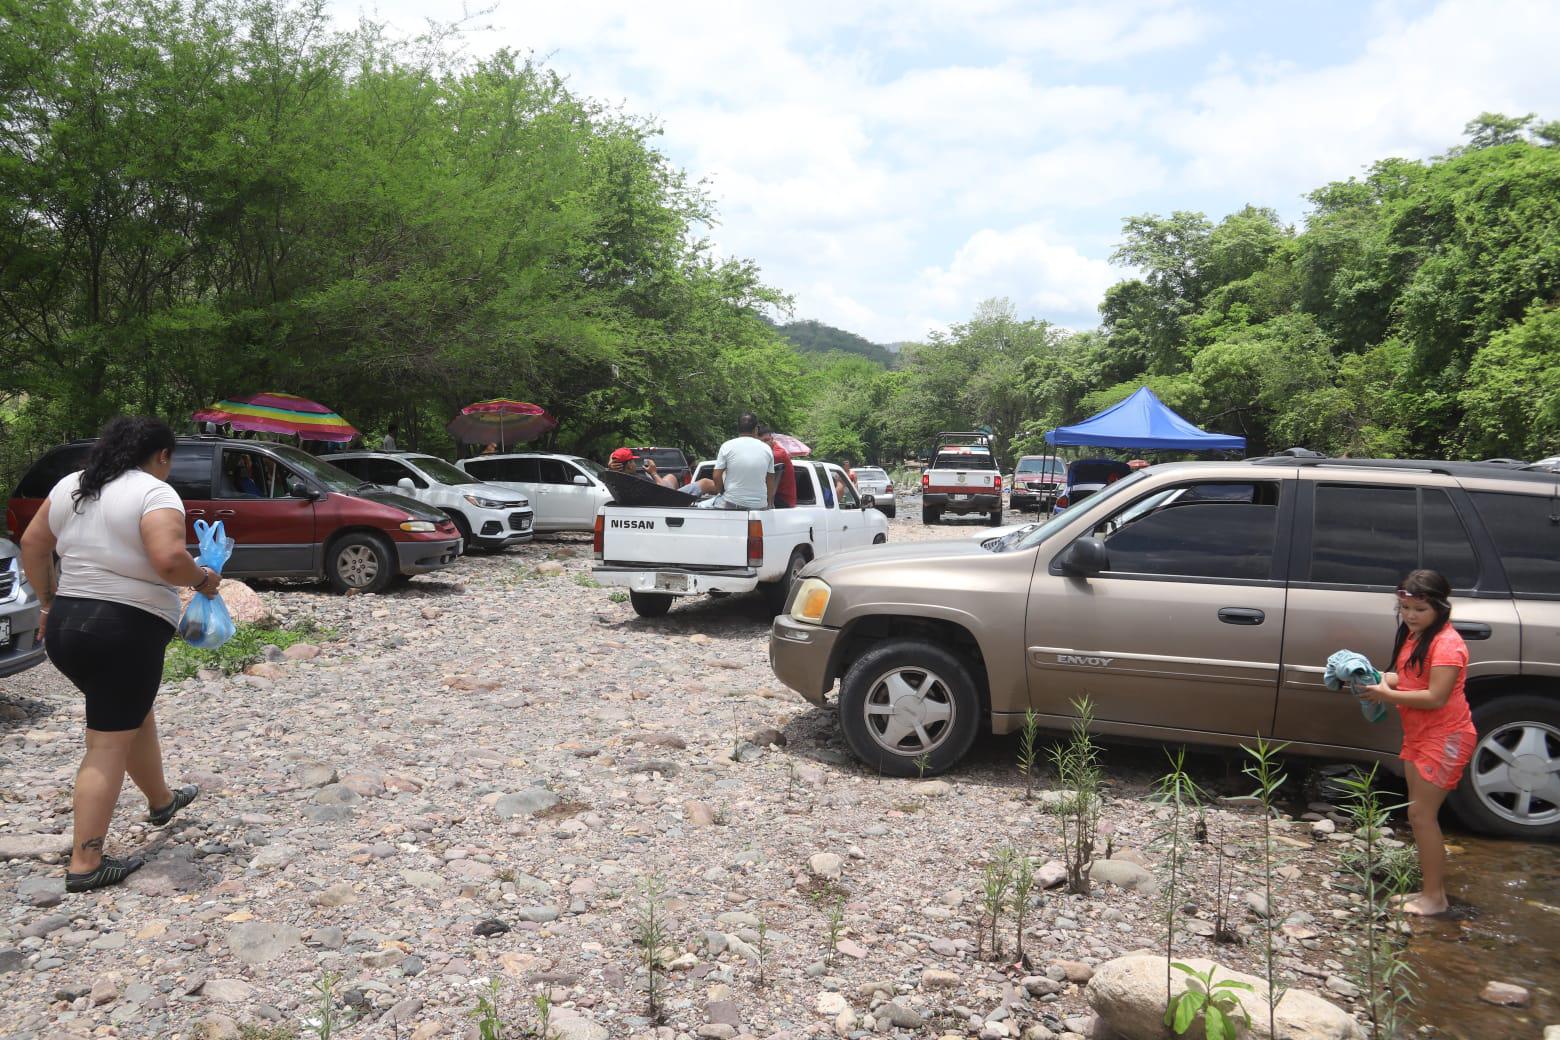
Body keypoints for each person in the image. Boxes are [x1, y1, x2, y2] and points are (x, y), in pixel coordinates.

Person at [18, 418, 218, 893]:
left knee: (128, 711)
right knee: (106, 741)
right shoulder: (154, 493)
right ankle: (86, 861)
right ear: (162, 455)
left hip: (68, 623)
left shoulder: (73, 485)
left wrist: (46, 601)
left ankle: (161, 800)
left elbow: (32, 543)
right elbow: (169, 559)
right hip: (123, 628)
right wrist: (204, 579)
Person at [1360, 569, 1476, 916]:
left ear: (1440, 608)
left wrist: (1386, 695)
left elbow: (1437, 696)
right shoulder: (1416, 637)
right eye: (1405, 608)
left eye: (1419, 609)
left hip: (1447, 736)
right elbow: (1408, 678)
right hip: (1420, 734)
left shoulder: (1447, 645)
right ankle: (1429, 891)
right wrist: (1374, 677)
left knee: (1421, 814)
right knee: (1419, 813)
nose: (1410, 616)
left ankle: (1435, 898)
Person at [705, 413, 776, 510]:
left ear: (738, 428)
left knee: (702, 505)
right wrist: (770, 504)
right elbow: (770, 480)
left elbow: (716, 476)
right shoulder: (767, 449)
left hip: (731, 503)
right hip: (759, 505)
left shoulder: (727, 446)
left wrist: (720, 492)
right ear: (756, 429)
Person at [759, 428, 796, 508]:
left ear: (772, 439)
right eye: (761, 442)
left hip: (783, 499)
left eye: (766, 440)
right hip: (774, 497)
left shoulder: (777, 454)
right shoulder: (769, 452)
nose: (764, 444)